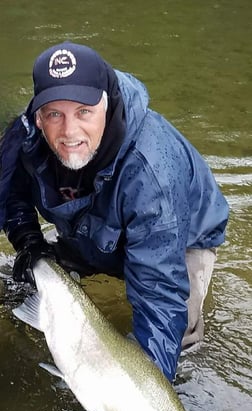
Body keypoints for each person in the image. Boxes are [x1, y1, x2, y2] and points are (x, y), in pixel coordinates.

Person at [0, 41, 229, 382]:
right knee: (16, 286)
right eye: (55, 115)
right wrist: (29, 242)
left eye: (84, 112)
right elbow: (10, 192)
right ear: (38, 116)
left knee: (177, 345)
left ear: (106, 104)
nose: (69, 132)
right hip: (92, 230)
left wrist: (147, 402)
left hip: (179, 240)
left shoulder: (152, 173)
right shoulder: (26, 136)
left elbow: (159, 296)